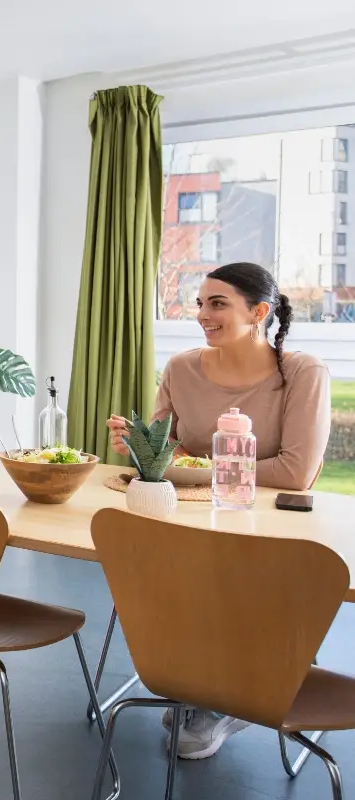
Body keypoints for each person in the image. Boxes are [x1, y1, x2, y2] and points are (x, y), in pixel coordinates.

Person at [106, 261, 331, 761]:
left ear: (259, 312)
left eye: (218, 303)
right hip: (190, 520)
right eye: (201, 303)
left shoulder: (302, 373)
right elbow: (160, 452)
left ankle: (229, 695)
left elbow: (294, 472)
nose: (202, 314)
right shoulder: (182, 368)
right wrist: (137, 445)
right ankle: (196, 685)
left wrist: (196, 462)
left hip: (271, 532)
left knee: (227, 576)